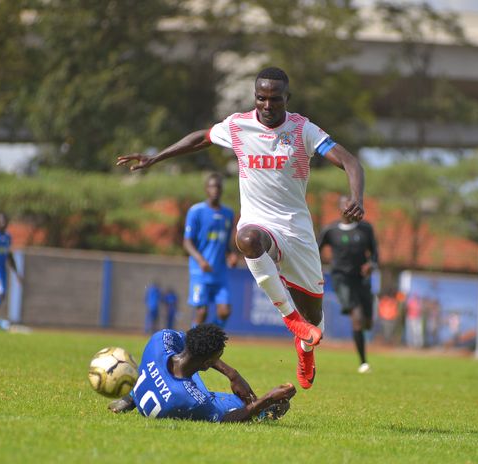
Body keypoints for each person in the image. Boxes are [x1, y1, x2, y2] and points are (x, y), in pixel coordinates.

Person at [116, 66, 365, 390]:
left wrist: (357, 198)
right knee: (246, 239)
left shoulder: (303, 129)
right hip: (258, 222)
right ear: (255, 97)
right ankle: (290, 320)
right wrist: (155, 157)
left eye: (274, 99)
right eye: (261, 97)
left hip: (296, 230)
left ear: (286, 98)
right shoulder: (238, 125)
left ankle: (304, 349)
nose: (267, 104)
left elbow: (350, 162)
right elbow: (200, 139)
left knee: (315, 320)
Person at [107, 324, 296, 422]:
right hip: (173, 397)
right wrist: (268, 399)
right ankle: (269, 409)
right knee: (272, 408)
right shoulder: (191, 398)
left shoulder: (160, 340)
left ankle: (131, 398)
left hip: (156, 386)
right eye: (217, 357)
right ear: (206, 364)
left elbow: (188, 340)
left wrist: (233, 374)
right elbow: (226, 420)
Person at [318, 194, 378, 373]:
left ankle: (363, 357)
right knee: (357, 317)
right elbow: (314, 249)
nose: (350, 208)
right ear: (340, 208)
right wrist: (315, 268)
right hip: (341, 278)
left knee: (367, 322)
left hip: (362, 279)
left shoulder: (366, 229)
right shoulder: (330, 230)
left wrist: (371, 265)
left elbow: (374, 253)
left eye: (353, 205)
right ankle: (363, 363)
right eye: (347, 205)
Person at [184, 173, 236, 328]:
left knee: (225, 311)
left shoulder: (228, 214)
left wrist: (231, 255)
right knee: (202, 312)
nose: (215, 190)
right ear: (206, 189)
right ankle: (192, 345)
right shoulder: (196, 211)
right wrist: (200, 260)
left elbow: (226, 243)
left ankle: (210, 339)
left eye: (218, 187)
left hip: (220, 272)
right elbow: (187, 242)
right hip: (200, 271)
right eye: (212, 186)